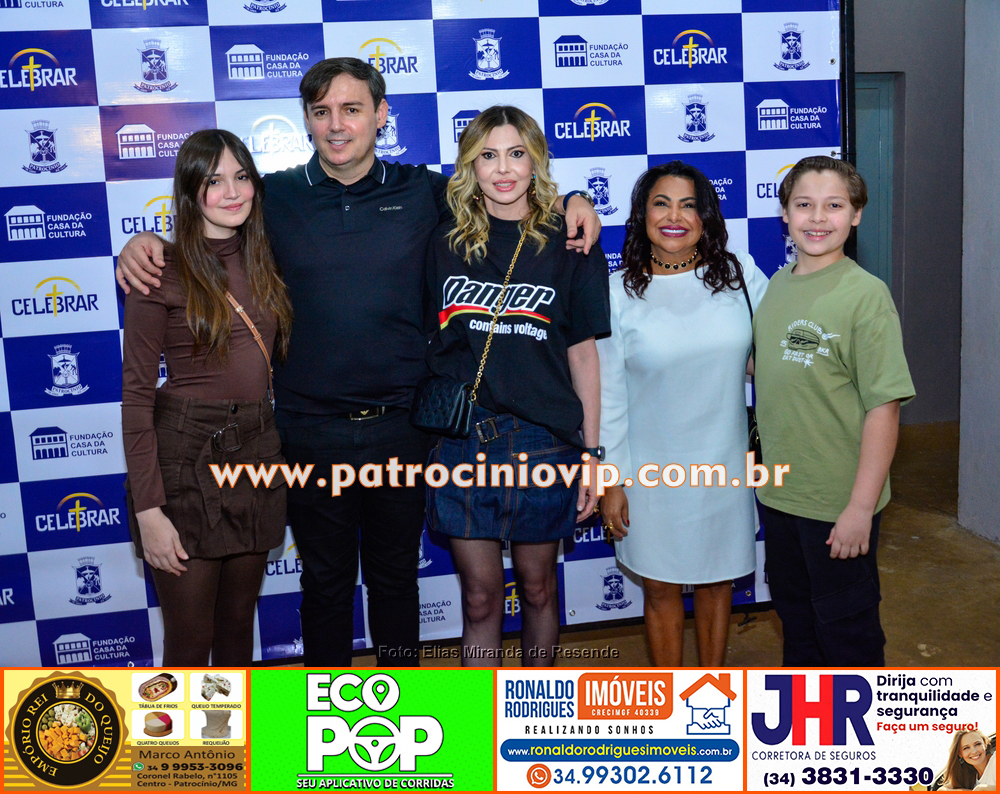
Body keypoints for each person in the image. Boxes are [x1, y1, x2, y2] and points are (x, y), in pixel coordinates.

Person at [116, 58, 602, 667]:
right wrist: (146, 243)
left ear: (381, 115)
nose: (337, 125)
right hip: (307, 430)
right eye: (322, 112)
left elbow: (503, 195)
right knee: (325, 585)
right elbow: (212, 222)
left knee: (396, 581)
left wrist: (576, 201)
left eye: (352, 109)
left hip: (402, 427)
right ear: (307, 120)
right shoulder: (275, 196)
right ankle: (327, 712)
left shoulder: (425, 193)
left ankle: (399, 706)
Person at [424, 105, 610, 666]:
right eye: (488, 155)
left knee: (538, 590)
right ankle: (480, 715)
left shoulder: (569, 242)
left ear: (536, 162)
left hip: (544, 442)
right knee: (480, 598)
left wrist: (592, 455)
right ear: (470, 165)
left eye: (516, 154)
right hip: (463, 442)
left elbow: (583, 355)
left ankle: (534, 709)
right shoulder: (444, 241)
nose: (503, 169)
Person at [122, 129, 294, 666]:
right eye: (214, 181)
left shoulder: (268, 260)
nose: (232, 192)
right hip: (185, 457)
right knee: (191, 640)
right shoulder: (159, 269)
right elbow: (135, 397)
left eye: (242, 177)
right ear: (190, 190)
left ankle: (229, 724)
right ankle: (183, 729)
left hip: (257, 450)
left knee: (238, 626)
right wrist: (148, 510)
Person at [596, 161, 767, 667]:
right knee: (660, 587)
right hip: (650, 472)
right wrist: (611, 479)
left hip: (723, 464)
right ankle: (672, 699)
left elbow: (772, 354)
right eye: (661, 204)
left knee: (717, 582)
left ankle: (711, 689)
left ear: (705, 216)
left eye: (688, 205)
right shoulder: (616, 291)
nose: (675, 216)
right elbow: (609, 396)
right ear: (641, 214)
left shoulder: (739, 274)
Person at [753, 155, 915, 666]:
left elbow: (884, 408)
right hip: (781, 497)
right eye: (804, 205)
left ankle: (858, 721)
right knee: (796, 624)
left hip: (837, 505)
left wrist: (860, 509)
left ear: (856, 214)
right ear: (784, 213)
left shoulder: (866, 296)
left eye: (834, 206)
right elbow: (771, 366)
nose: (818, 218)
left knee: (848, 635)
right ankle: (805, 717)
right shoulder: (777, 285)